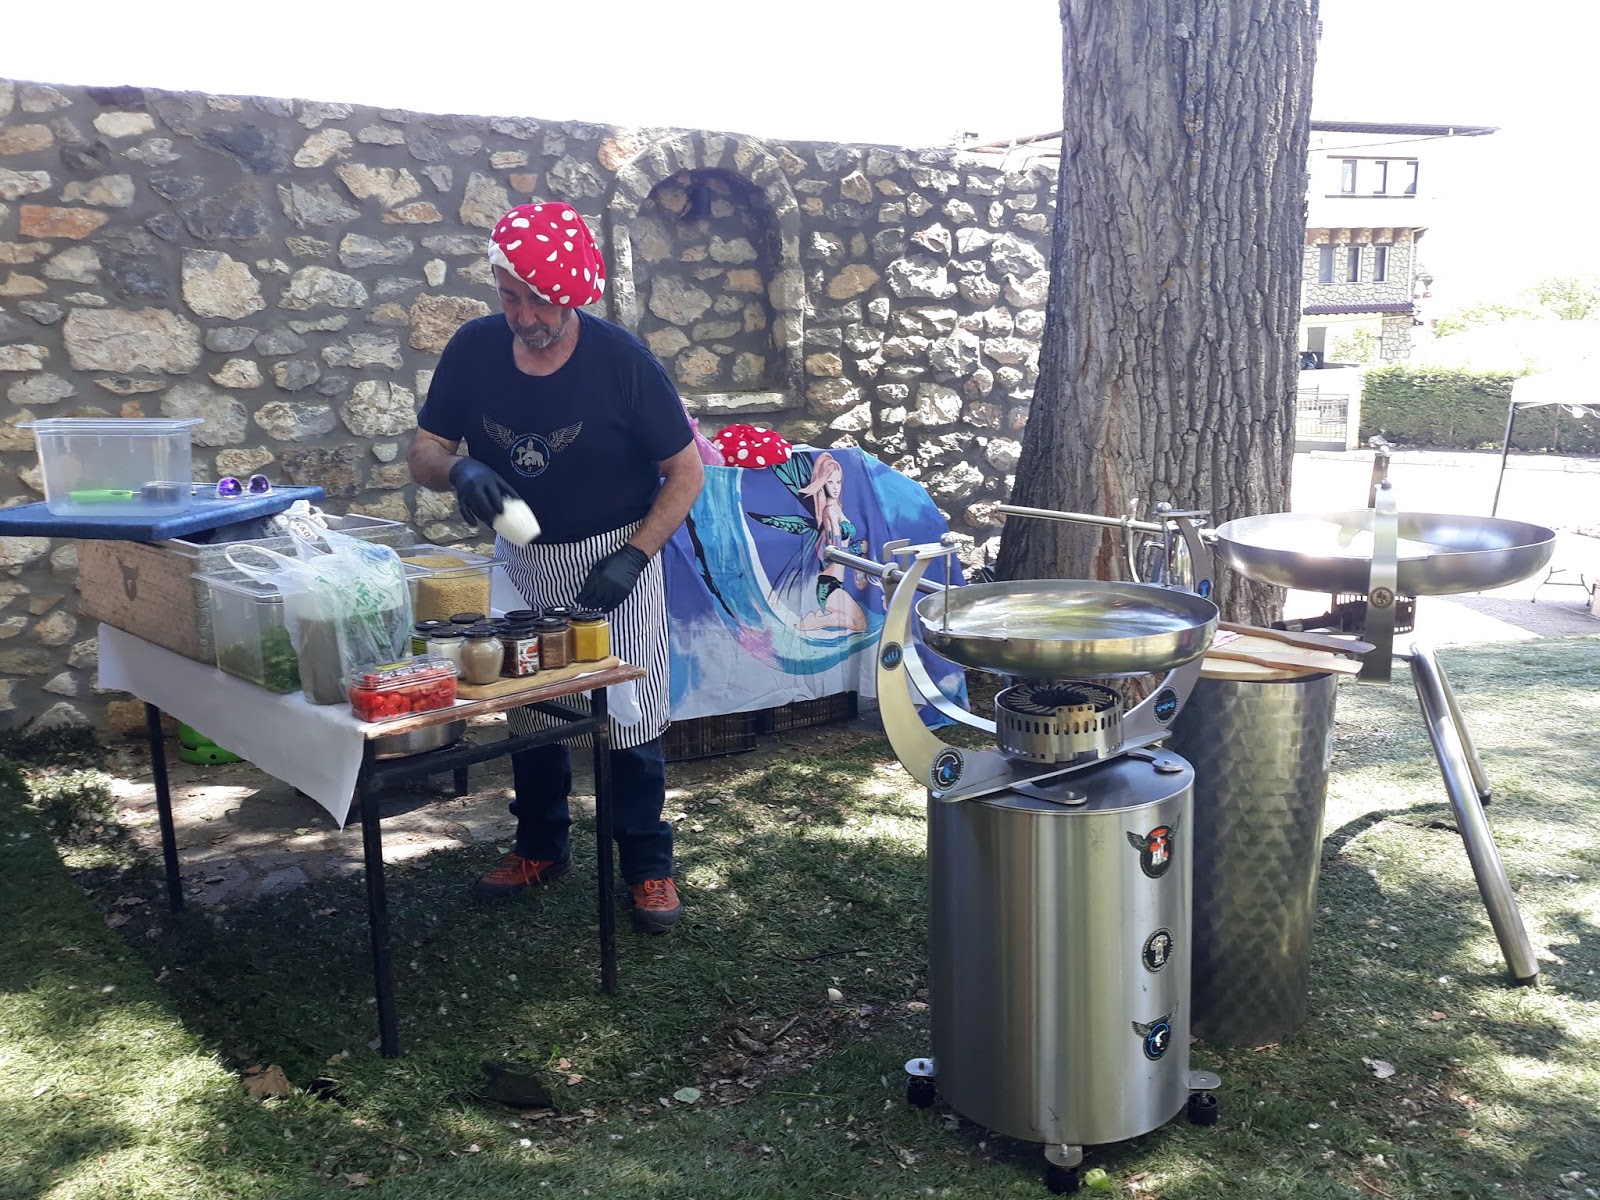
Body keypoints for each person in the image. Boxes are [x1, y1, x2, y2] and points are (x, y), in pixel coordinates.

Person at [407, 202, 705, 933]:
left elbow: (686, 471)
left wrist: (634, 556)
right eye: (510, 297)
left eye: (540, 301)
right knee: (531, 706)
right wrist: (458, 470)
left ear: (573, 293)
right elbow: (423, 451)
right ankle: (540, 846)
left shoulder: (621, 361)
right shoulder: (474, 349)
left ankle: (648, 865)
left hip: (614, 559)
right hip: (523, 560)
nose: (525, 316)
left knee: (628, 717)